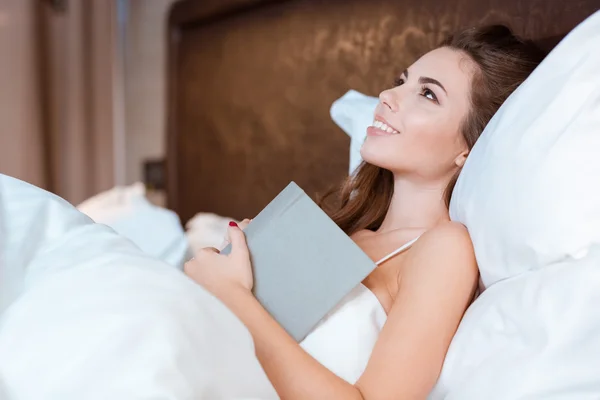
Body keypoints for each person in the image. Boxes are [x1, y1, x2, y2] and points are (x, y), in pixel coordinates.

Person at [184, 25, 546, 399]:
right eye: (400, 81)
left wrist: (232, 294)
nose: (387, 95)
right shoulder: (347, 230)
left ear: (469, 148)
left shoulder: (445, 248)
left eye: (426, 94)